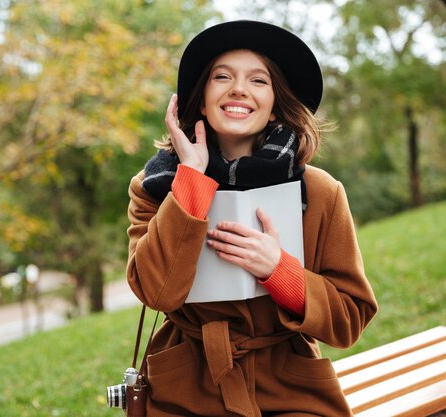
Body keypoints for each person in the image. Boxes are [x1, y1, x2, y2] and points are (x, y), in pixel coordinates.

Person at [126, 20, 378, 417]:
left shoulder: (320, 192)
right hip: (184, 391)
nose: (238, 88)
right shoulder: (154, 187)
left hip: (289, 390)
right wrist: (190, 178)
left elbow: (349, 320)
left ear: (275, 102)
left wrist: (280, 271)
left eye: (258, 80)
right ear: (202, 99)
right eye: (222, 76)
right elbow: (157, 294)